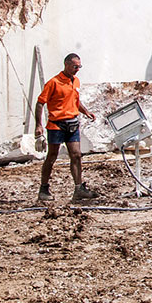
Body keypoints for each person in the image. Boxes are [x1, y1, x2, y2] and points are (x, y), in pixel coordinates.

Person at [35, 53, 97, 203]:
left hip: (72, 123)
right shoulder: (53, 83)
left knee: (76, 155)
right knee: (52, 156)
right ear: (67, 64)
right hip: (56, 125)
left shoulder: (75, 81)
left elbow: (75, 99)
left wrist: (85, 111)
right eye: (75, 66)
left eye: (79, 67)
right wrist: (38, 125)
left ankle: (79, 188)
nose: (77, 69)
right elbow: (40, 103)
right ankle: (44, 188)